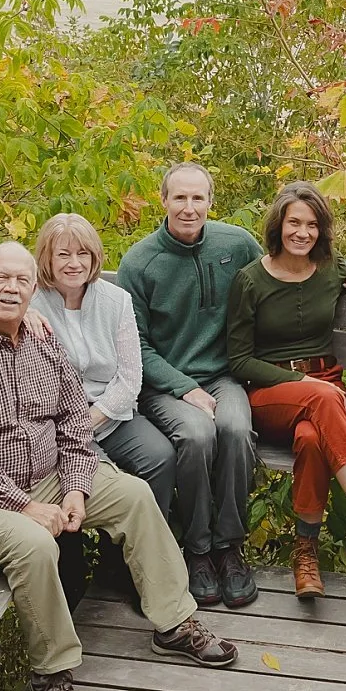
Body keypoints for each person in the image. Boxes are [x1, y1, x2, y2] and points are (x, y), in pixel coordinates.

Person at [0, 241, 236, 691]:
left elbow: (72, 421)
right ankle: (53, 673)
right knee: (34, 544)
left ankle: (174, 622)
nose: (12, 288)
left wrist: (76, 489)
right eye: (0, 278)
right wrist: (24, 506)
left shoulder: (43, 341)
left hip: (44, 475)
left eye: (21, 281)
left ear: (33, 289)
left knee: (134, 496)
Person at [227, 181, 346, 596]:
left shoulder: (332, 270)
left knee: (313, 439)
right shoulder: (249, 281)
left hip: (324, 395)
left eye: (312, 225)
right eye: (294, 222)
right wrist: (301, 381)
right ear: (278, 225)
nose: (302, 232)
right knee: (325, 397)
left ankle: (305, 553)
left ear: (322, 230)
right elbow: (238, 361)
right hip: (271, 394)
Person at [116, 164, 263, 610]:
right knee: (197, 436)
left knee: (236, 430)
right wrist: (183, 388)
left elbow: (280, 274)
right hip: (163, 385)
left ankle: (229, 547)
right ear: (163, 201)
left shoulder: (236, 244)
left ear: (210, 202)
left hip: (223, 376)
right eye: (179, 198)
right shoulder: (139, 262)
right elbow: (135, 345)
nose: (189, 207)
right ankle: (197, 551)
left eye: (198, 198)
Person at [30, 212, 174, 525]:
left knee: (160, 457)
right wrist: (22, 314)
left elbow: (130, 378)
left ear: (94, 257)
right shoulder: (31, 304)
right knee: (100, 479)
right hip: (57, 427)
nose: (74, 263)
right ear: (47, 258)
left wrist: (94, 418)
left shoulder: (117, 301)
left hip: (111, 415)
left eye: (83, 254)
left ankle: (125, 563)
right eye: (63, 254)